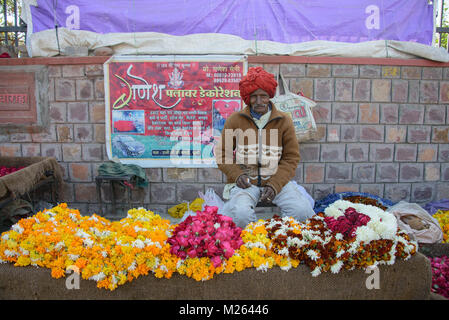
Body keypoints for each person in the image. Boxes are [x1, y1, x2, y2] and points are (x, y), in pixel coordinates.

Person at [215, 66, 315, 228]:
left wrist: (275, 184)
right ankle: (254, 244)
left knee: (301, 211)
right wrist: (237, 175)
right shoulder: (235, 120)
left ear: (270, 95)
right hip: (246, 183)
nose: (259, 101)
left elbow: (291, 158)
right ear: (247, 98)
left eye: (263, 96)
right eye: (254, 97)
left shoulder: (284, 120)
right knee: (240, 215)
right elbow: (222, 153)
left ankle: (282, 239)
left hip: (276, 181)